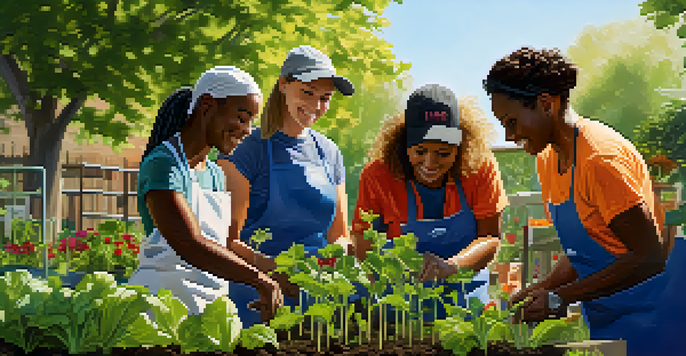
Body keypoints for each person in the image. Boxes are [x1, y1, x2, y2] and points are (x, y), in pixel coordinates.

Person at [483, 46, 686, 355]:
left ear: (545, 104)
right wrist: (545, 287)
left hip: (654, 320)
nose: (509, 136)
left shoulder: (600, 160)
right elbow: (591, 245)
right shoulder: (549, 158)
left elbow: (648, 256)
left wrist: (560, 298)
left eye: (511, 121)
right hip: (607, 317)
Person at [129, 66, 284, 323]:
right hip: (161, 312)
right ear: (207, 105)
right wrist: (258, 280)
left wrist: (271, 268)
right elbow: (188, 241)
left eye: (251, 122)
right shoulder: (164, 164)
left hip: (207, 310)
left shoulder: (213, 173)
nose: (247, 130)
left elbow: (222, 243)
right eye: (242, 118)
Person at [215, 45, 355, 328]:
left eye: (325, 98)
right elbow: (225, 241)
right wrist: (275, 271)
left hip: (318, 287)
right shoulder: (244, 149)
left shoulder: (330, 152)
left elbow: (340, 235)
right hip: (258, 285)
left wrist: (326, 265)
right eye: (307, 92)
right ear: (283, 85)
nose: (316, 106)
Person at [352, 84, 508, 322]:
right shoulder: (377, 176)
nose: (430, 163)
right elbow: (363, 239)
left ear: (461, 146)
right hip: (400, 299)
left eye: (444, 153)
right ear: (404, 144)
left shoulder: (479, 167)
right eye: (420, 151)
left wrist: (451, 267)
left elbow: (490, 237)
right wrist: (383, 283)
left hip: (464, 294)